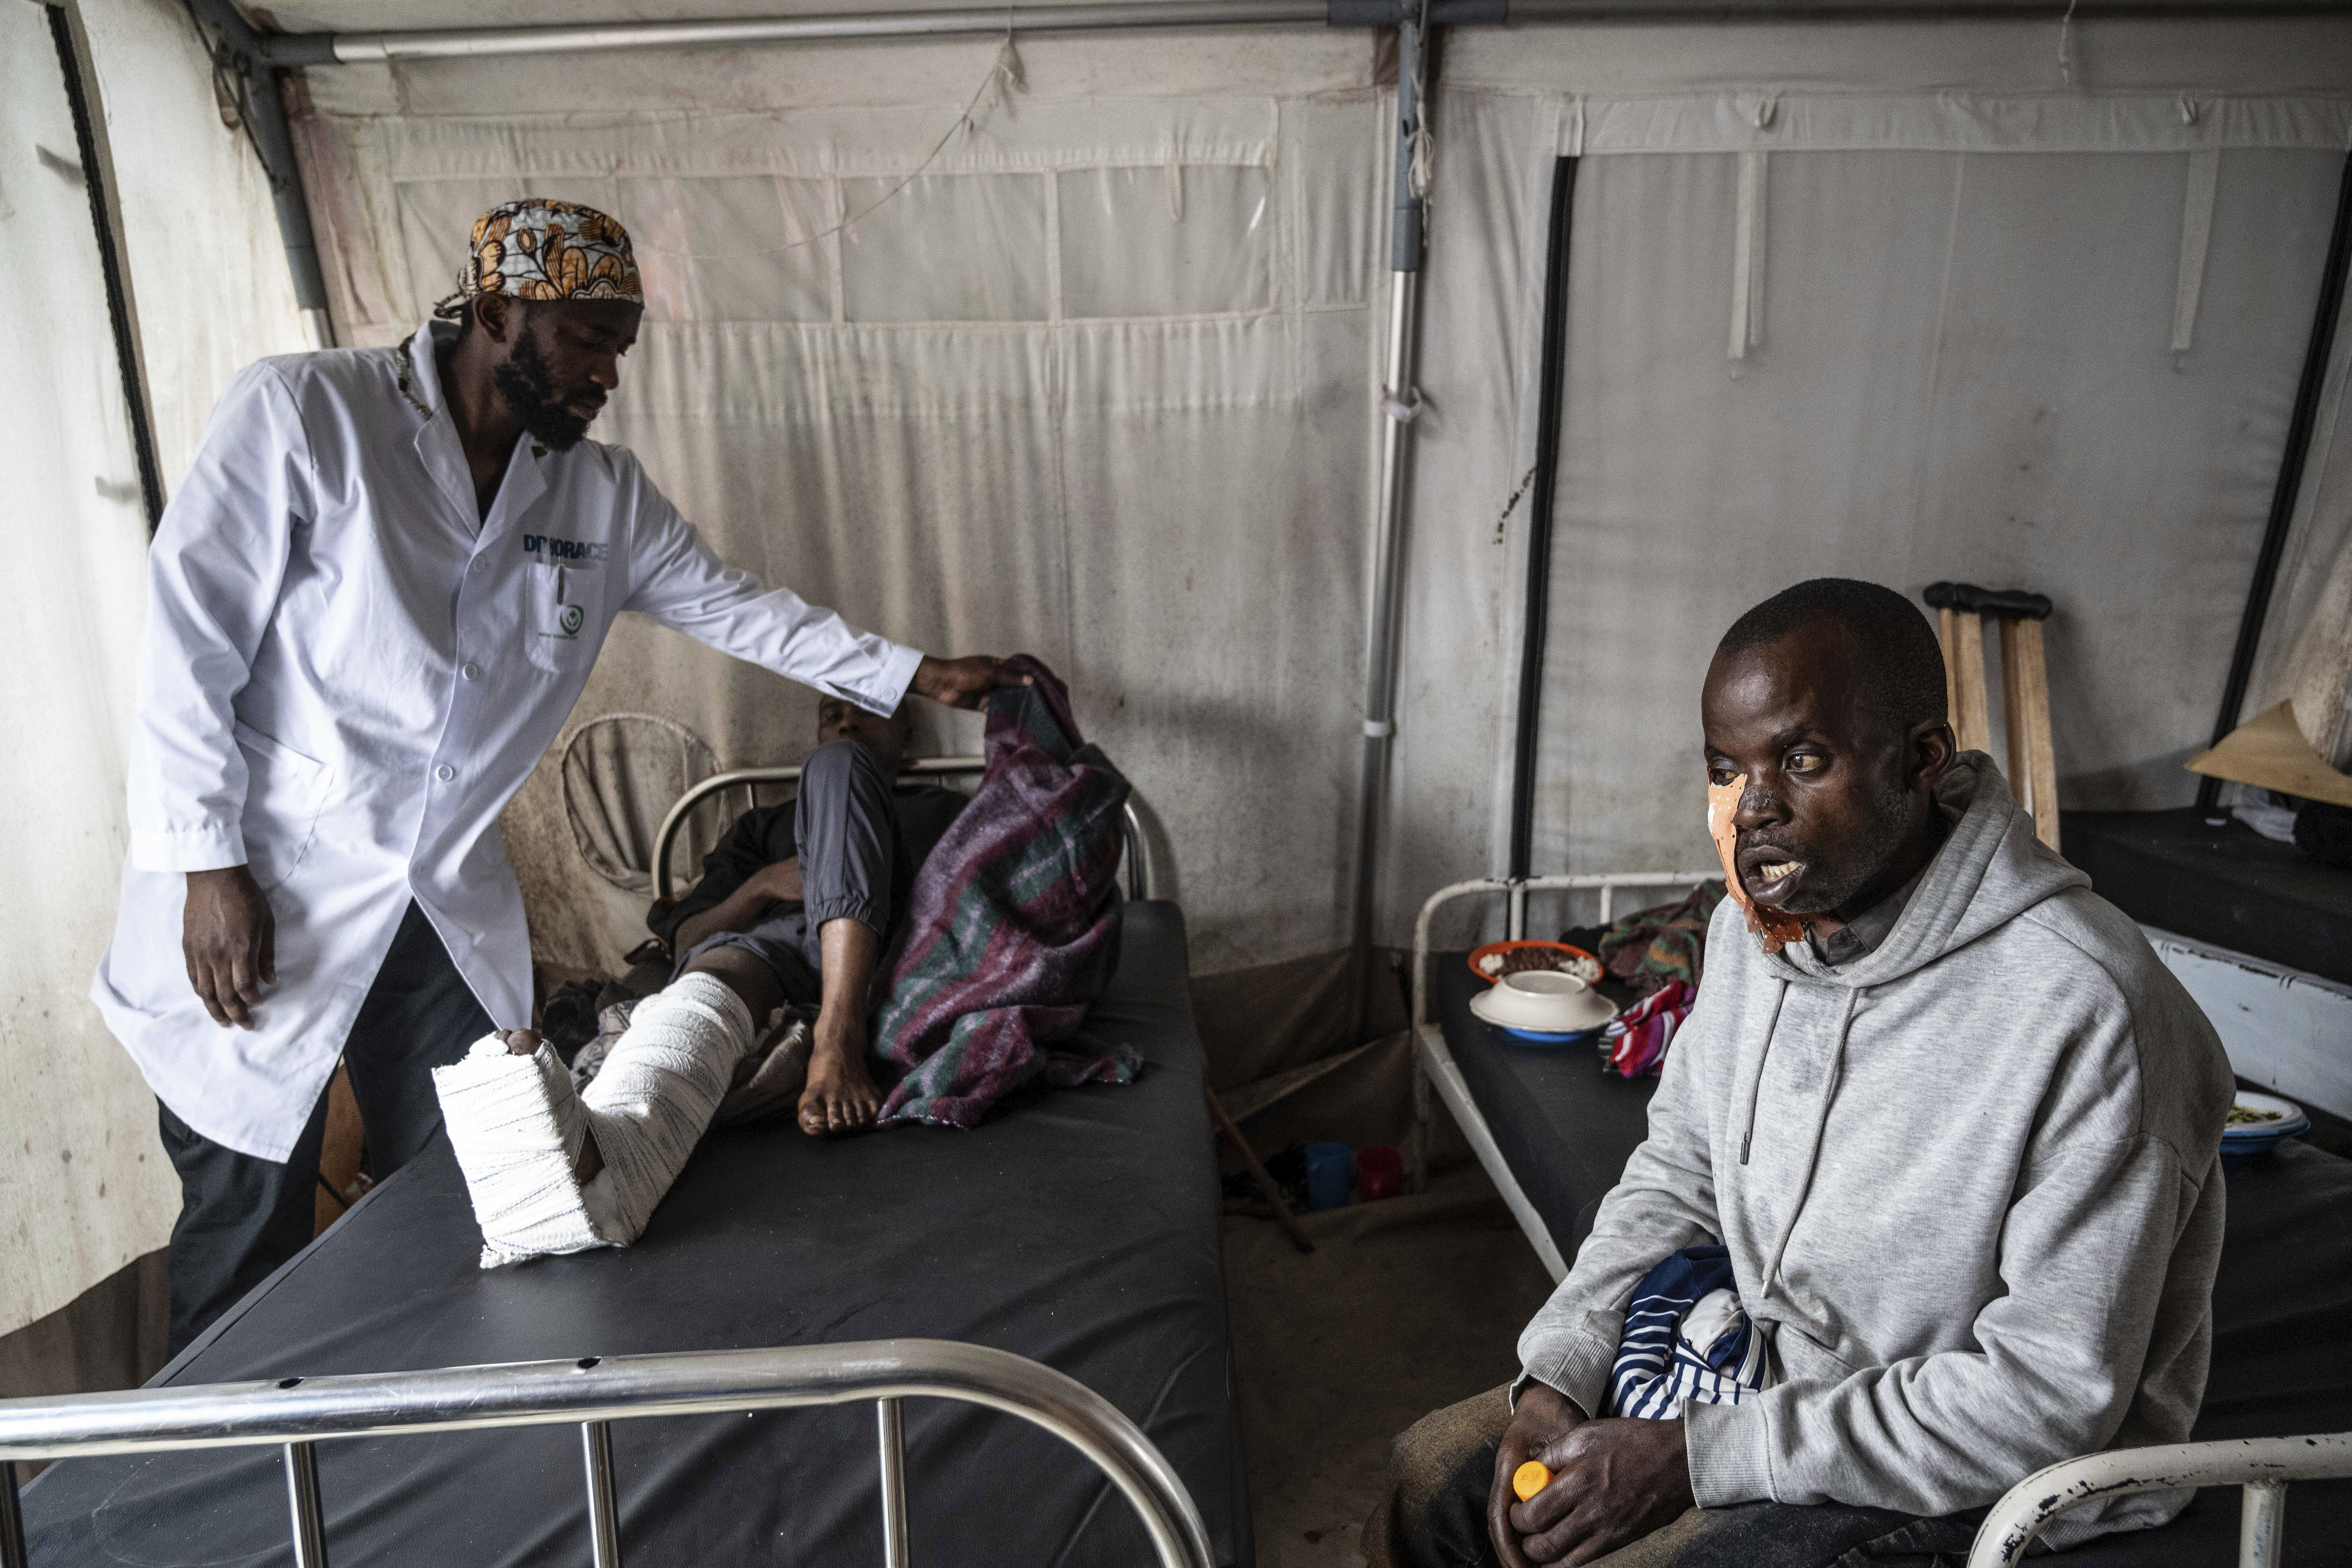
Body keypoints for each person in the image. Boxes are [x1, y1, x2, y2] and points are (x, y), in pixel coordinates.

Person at [91, 196, 1022, 1353]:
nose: (608, 375)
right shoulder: (308, 415)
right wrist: (205, 862)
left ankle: (439, 1445)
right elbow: (193, 640)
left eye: (621, 348)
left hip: (433, 904)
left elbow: (739, 609)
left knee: (480, 1181)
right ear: (497, 311)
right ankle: (208, 1500)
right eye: (588, 340)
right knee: (246, 1217)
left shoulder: (600, 497)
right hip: (260, 879)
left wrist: (916, 672)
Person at [1370, 578, 2233, 1568]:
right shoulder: (1761, 927)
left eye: (1802, 758)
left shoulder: (2089, 1010)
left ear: (1919, 761)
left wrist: (1697, 1459)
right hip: (1771, 1376)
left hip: (1986, 1473)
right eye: (1726, 770)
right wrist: (1561, 1366)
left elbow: (2043, 1400)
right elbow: (1681, 1165)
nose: (1754, 809)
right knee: (1434, 1482)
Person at [650, 693, 966, 1134]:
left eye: (868, 710)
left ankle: (838, 1038)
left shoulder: (949, 813)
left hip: (890, 949)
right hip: (772, 950)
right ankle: (658, 1074)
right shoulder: (764, 826)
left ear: (908, 733)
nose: (848, 724)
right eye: (832, 715)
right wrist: (760, 885)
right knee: (719, 972)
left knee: (841, 763)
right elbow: (686, 939)